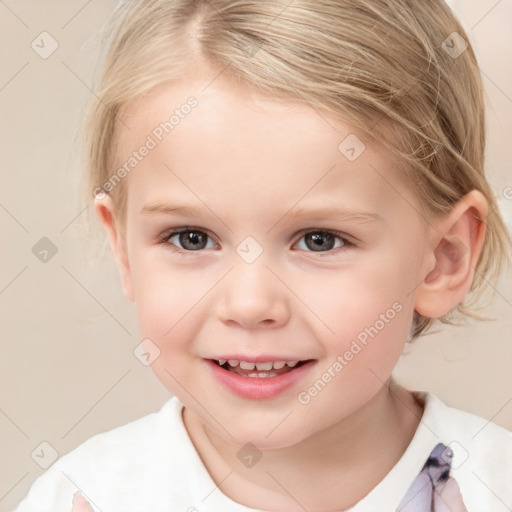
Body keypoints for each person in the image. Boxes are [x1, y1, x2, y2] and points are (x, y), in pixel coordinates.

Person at [12, 0, 512, 511]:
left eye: (320, 240)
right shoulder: (82, 496)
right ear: (124, 251)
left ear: (443, 258)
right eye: (191, 238)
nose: (249, 304)